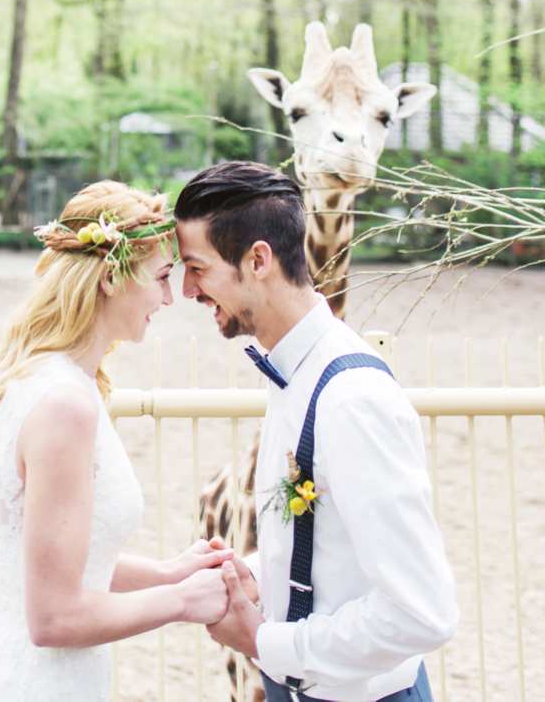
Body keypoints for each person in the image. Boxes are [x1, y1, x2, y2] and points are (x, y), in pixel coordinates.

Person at [173, 160, 457, 701]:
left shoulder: (352, 400)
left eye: (197, 268)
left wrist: (264, 641)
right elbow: (332, 547)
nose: (188, 290)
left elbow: (423, 612)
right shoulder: (292, 371)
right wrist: (257, 571)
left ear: (258, 260)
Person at [0, 180, 239, 700]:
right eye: (162, 278)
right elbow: (54, 617)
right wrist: (183, 602)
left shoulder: (54, 381)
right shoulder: (63, 405)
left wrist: (168, 573)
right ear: (111, 277)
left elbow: (57, 558)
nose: (169, 298)